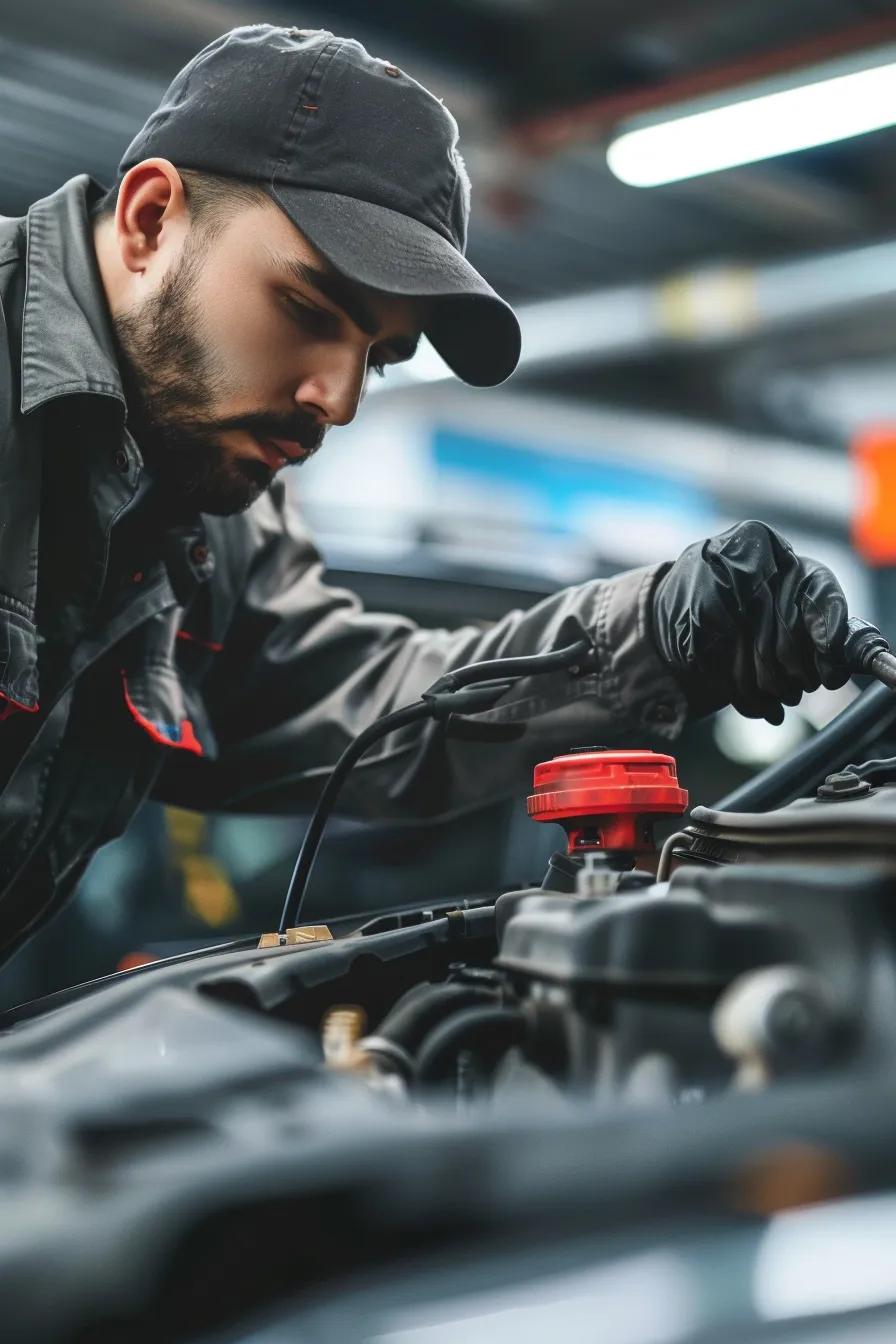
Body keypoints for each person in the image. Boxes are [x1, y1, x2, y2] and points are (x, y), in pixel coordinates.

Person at [0, 25, 849, 959]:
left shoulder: (206, 516)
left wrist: (661, 631)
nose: (341, 400)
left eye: (381, 358)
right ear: (151, 219)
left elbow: (366, 711)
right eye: (309, 310)